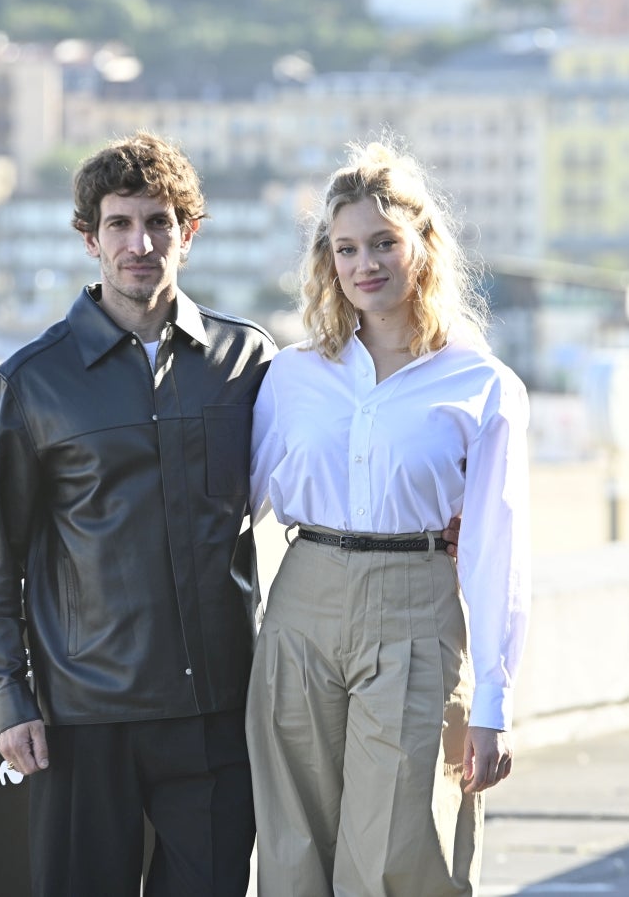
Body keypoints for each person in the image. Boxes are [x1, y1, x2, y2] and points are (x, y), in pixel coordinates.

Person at [0, 131, 275, 897]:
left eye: (160, 222)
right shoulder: (32, 382)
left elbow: (318, 482)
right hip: (83, 719)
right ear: (89, 239)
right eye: (122, 224)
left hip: (217, 714)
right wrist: (10, 696)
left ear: (188, 233)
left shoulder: (249, 362)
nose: (142, 243)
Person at [246, 140, 532, 896]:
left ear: (423, 249)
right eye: (346, 248)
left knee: (401, 859)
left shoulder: (482, 385)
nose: (365, 263)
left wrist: (496, 704)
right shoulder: (290, 378)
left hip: (415, 609)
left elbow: (498, 550)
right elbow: (228, 512)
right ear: (327, 262)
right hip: (300, 607)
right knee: (291, 852)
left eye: (383, 243)